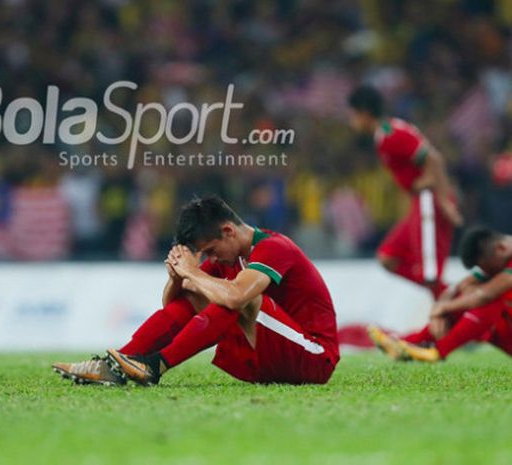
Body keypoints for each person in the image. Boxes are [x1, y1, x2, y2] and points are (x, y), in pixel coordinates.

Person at [53, 196, 339, 386]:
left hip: (314, 356)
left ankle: (156, 366)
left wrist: (192, 271)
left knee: (239, 296)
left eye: (212, 251)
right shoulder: (227, 255)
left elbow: (238, 297)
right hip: (268, 358)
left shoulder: (275, 247)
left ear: (228, 231)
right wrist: (177, 278)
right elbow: (175, 306)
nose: (212, 259)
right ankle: (113, 365)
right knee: (208, 293)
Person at [347, 85, 463, 299]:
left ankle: (450, 307)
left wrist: (445, 202)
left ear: (363, 113)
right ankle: (451, 296)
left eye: (352, 115)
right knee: (387, 257)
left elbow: (433, 159)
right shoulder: (385, 134)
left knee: (429, 273)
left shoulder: (392, 135)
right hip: (419, 203)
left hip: (430, 200)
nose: (351, 122)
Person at [369, 226, 512, 362]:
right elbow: (458, 287)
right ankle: (409, 343)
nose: (487, 271)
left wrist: (443, 308)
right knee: (469, 296)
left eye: (488, 268)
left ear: (501, 249)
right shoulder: (502, 256)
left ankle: (438, 351)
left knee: (489, 300)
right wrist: (439, 312)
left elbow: (485, 295)